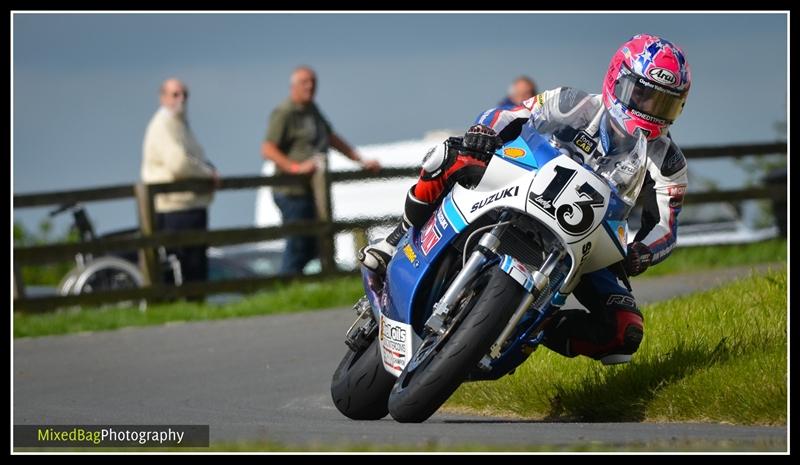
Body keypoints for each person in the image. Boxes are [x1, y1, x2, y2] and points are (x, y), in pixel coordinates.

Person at [359, 34, 691, 365]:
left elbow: (665, 225)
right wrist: (484, 131)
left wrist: (642, 252)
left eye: (665, 103)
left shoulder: (668, 161)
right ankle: (394, 241)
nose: (651, 109)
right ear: (617, 79)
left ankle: (537, 328)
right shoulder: (571, 103)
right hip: (526, 183)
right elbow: (509, 115)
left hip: (587, 233)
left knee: (624, 331)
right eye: (644, 95)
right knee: (452, 155)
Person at [261, 65, 381, 275]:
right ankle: (286, 284)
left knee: (314, 243)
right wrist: (295, 167)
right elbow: (268, 148)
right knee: (298, 242)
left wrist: (360, 160)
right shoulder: (285, 112)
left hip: (311, 191)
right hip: (291, 192)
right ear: (294, 86)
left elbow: (331, 137)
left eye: (313, 82)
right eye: (305, 82)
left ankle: (301, 285)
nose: (310, 86)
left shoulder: (312, 110)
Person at [141, 78, 218, 290]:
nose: (181, 99)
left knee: (195, 261)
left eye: (184, 94)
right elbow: (179, 164)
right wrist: (207, 174)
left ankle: (195, 303)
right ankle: (182, 303)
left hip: (189, 204)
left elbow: (194, 157)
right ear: (163, 97)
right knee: (181, 263)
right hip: (174, 207)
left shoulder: (180, 124)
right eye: (175, 94)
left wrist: (206, 169)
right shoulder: (163, 124)